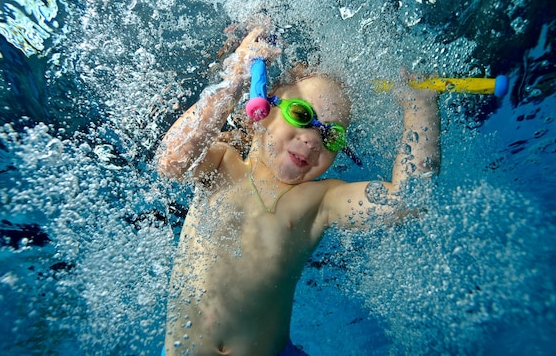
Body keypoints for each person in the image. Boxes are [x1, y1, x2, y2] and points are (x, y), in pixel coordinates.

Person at [157, 26, 440, 355]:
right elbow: (172, 160)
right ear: (264, 108)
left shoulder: (320, 200)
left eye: (330, 136)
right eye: (302, 115)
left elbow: (406, 200)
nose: (312, 139)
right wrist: (236, 77)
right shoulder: (222, 161)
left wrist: (419, 108)